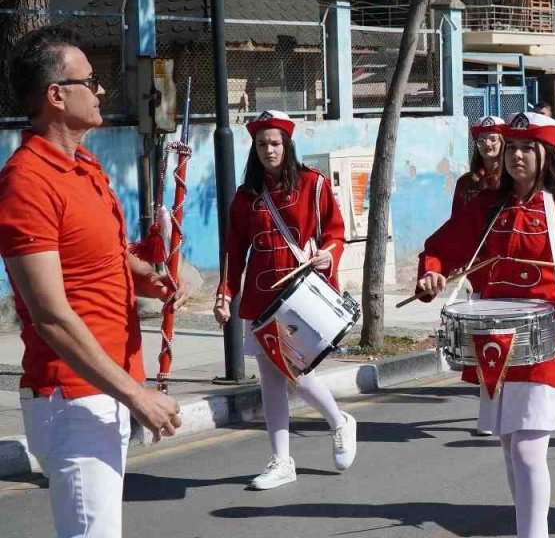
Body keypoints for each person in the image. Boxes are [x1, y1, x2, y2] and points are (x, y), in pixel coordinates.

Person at [0, 27, 185, 538]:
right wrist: (137, 396)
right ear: (56, 96)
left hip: (106, 387)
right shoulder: (27, 182)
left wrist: (144, 276)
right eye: (91, 81)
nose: (102, 90)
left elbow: (102, 255)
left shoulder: (85, 165)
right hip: (75, 396)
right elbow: (51, 315)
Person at [417, 111, 555, 538]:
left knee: (526, 447)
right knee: (508, 443)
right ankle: (527, 524)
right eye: (512, 147)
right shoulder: (486, 205)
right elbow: (441, 249)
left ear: (547, 153)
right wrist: (431, 273)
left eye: (527, 148)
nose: (516, 155)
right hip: (495, 338)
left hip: (548, 338)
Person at [214, 110, 357, 490]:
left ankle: (339, 421)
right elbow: (234, 249)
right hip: (260, 299)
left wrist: (329, 253)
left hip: (301, 296)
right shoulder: (245, 197)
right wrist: (225, 294)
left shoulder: (313, 184)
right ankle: (281, 460)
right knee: (270, 378)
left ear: (287, 145)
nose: (269, 150)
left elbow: (336, 232)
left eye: (275, 143)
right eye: (262, 144)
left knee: (296, 371)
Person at [454, 116, 505, 213]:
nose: (487, 144)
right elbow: (457, 218)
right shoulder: (465, 182)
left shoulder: (510, 179)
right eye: (481, 140)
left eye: (493, 139)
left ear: (502, 142)